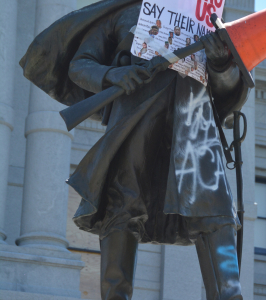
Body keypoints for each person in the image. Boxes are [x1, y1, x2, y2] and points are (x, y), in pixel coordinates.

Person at [20, 1, 250, 300]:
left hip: (195, 128)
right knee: (121, 211)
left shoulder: (209, 20)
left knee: (216, 214)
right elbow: (80, 65)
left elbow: (228, 93)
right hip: (133, 126)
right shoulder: (125, 12)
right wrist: (111, 75)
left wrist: (221, 63)